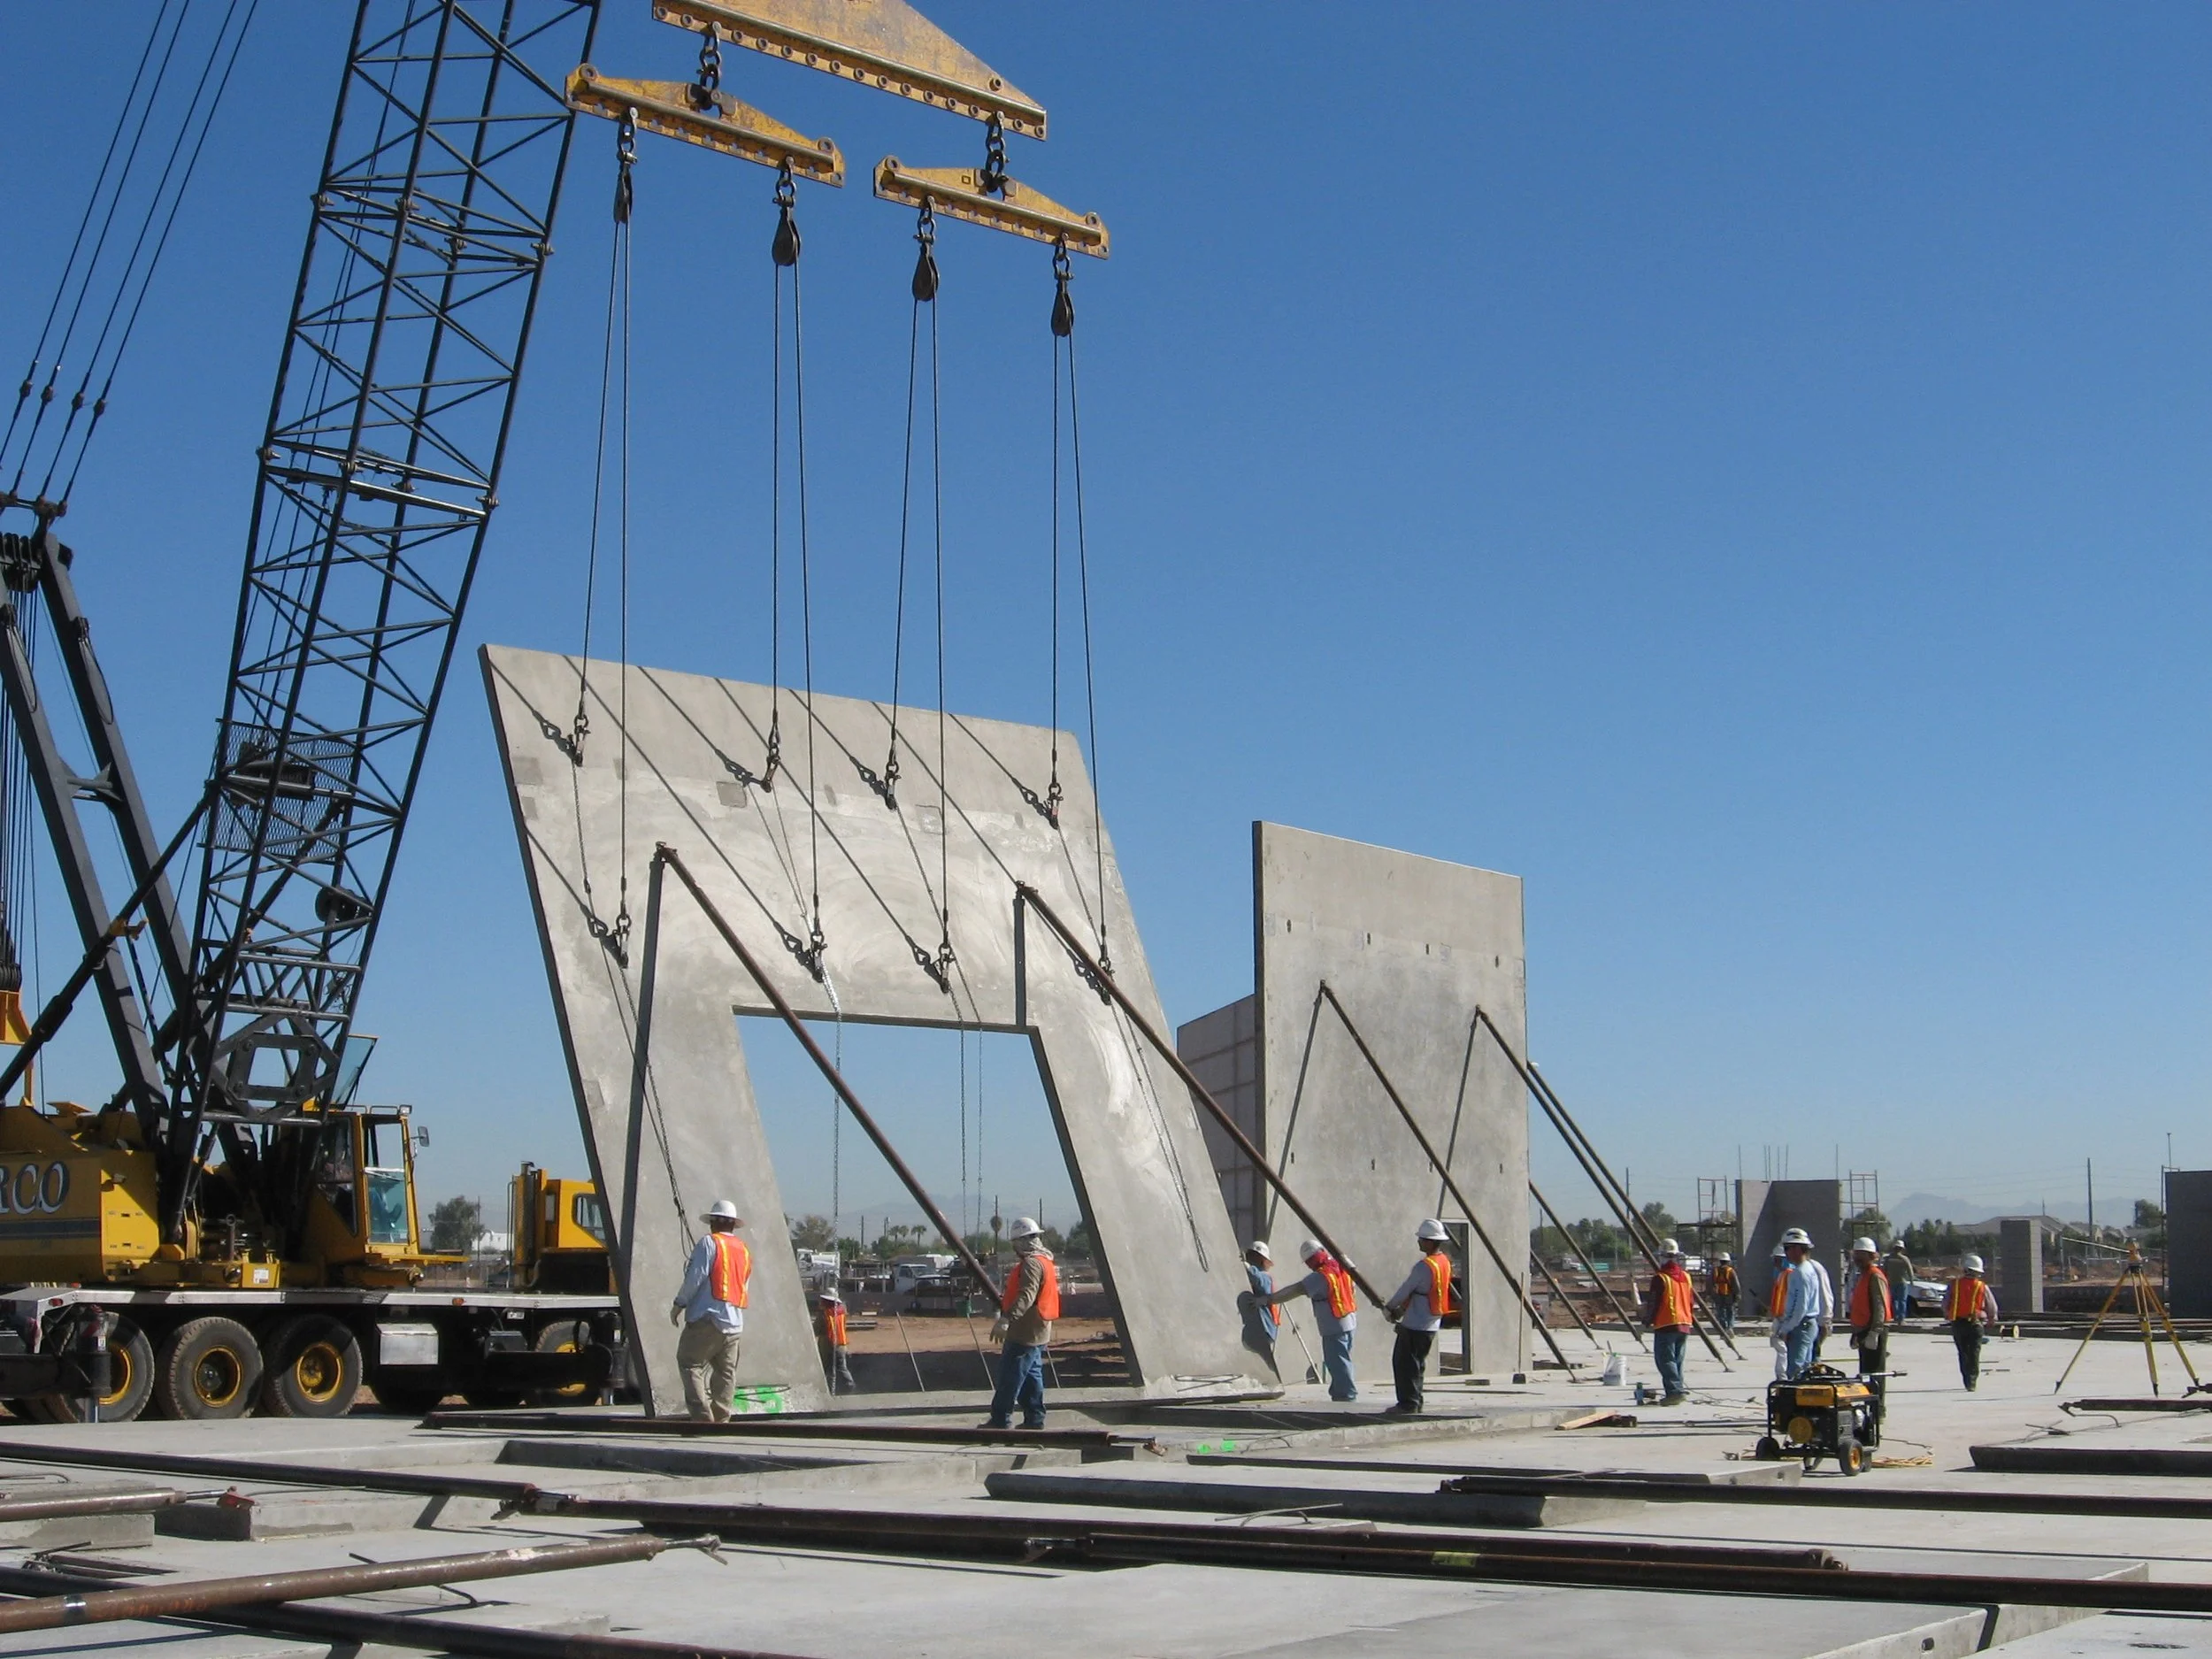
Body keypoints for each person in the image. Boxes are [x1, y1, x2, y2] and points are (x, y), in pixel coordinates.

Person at [670, 1199, 749, 1422]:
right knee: (725, 1372)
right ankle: (721, 1418)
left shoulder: (709, 1243)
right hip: (734, 1323)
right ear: (733, 1224)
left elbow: (695, 1277)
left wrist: (679, 1304)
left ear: (713, 1222)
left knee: (690, 1363)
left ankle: (702, 1420)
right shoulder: (743, 1250)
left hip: (707, 1318)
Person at [985, 1216, 1058, 1429]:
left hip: (1025, 1330)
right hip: (1039, 1328)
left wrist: (1007, 1319)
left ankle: (1000, 1419)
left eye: (1016, 1242)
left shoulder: (1032, 1264)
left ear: (1023, 1241)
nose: (1015, 1247)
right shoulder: (1045, 1260)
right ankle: (1035, 1419)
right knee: (1031, 1374)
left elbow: (1027, 1295)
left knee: (1011, 1375)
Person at [1263, 1239, 1359, 1401]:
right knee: (1342, 1360)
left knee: (1337, 1362)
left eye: (1308, 1262)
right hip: (1349, 1320)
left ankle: (1347, 1395)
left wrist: (1267, 1300)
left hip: (1334, 1324)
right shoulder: (1341, 1265)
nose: (1308, 1265)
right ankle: (1338, 1392)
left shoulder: (1321, 1276)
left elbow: (1294, 1290)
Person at [1382, 1218, 1455, 1415]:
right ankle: (1415, 1401)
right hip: (1431, 1321)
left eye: (1422, 1239)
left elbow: (1406, 1288)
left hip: (1416, 1323)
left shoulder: (1425, 1266)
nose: (1419, 1243)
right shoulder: (1444, 1262)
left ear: (1430, 1242)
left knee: (1405, 1363)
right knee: (1417, 1364)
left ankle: (1408, 1404)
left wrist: (1390, 1307)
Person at [1845, 1236, 1890, 1434]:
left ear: (1871, 1256)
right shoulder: (1862, 1276)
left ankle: (1877, 1411)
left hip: (1874, 1330)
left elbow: (1880, 1306)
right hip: (1864, 1330)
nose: (1858, 1259)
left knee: (1876, 1374)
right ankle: (1870, 1410)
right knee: (1866, 1374)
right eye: (1856, 1255)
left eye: (1862, 1255)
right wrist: (1857, 1334)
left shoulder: (1874, 1276)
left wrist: (1875, 1332)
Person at [1644, 1239, 1695, 1405]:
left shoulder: (1660, 1278)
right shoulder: (1686, 1276)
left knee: (1665, 1360)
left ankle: (1675, 1391)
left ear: (1663, 1257)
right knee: (1677, 1361)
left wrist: (1647, 1320)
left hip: (1667, 1323)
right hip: (1685, 1323)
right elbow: (1690, 1301)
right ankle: (1677, 1390)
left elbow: (1655, 1303)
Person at [1946, 1253, 2001, 1391]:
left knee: (1963, 1353)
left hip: (1958, 1323)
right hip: (1975, 1324)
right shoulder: (1982, 1286)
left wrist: (1948, 1314)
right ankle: (1972, 1381)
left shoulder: (1954, 1285)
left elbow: (1945, 1303)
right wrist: (1992, 1318)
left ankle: (1967, 1380)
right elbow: (1991, 1305)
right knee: (1974, 1353)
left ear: (1965, 1269)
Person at [1775, 1227, 1824, 1379]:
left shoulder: (1801, 1273)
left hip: (1801, 1326)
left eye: (1787, 1248)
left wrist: (1786, 1328)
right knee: (1805, 1369)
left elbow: (1800, 1307)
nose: (1786, 1252)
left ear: (1797, 1249)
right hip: (1806, 1325)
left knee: (1796, 1371)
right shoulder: (1808, 1269)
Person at [1239, 1240, 1282, 1378]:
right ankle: (1269, 1378)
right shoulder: (1256, 1276)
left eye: (1254, 1256)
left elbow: (1258, 1279)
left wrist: (1247, 1267)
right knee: (1259, 1357)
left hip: (1265, 1326)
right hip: (1257, 1327)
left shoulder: (1265, 1277)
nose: (1251, 1259)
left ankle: (1273, 1379)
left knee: (1265, 1359)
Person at [816, 1285, 856, 1394]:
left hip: (828, 1344)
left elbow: (817, 1329)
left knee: (828, 1369)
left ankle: (827, 1391)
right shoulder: (842, 1312)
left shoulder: (825, 1314)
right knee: (842, 1367)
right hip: (842, 1344)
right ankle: (849, 1385)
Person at [1766, 1245, 1792, 1381]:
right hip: (1779, 1317)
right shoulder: (1780, 1275)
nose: (1775, 1263)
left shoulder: (1791, 1275)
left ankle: (1782, 1376)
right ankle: (1781, 1375)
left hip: (1786, 1318)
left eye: (1777, 1260)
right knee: (1778, 1345)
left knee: (1783, 1349)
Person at [1882, 1240, 1916, 1321]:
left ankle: (1896, 1317)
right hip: (1901, 1282)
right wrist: (1912, 1281)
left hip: (1891, 1282)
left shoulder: (1888, 1259)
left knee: (1894, 1300)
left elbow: (1884, 1270)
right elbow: (1910, 1270)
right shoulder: (1904, 1259)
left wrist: (1884, 1280)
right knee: (1902, 1301)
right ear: (1902, 1249)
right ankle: (1901, 1318)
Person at [1709, 1252, 1739, 1336]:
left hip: (1718, 1294)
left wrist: (1711, 1294)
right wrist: (1737, 1295)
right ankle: (1729, 1328)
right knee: (1730, 1312)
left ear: (1720, 1261)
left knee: (1720, 1312)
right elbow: (1736, 1284)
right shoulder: (1731, 1271)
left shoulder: (1715, 1271)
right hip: (1729, 1295)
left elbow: (1710, 1283)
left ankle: (1723, 1329)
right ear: (1728, 1261)